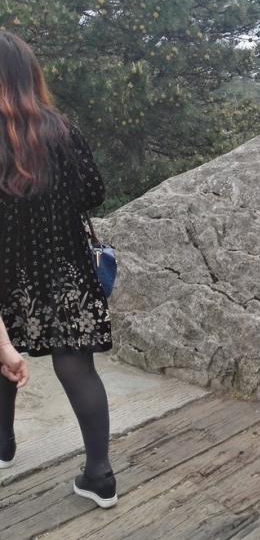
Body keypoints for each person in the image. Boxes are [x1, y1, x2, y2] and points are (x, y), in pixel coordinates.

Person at [0, 31, 117, 507]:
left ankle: (3, 445)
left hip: (8, 269)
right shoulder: (61, 128)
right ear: (30, 73)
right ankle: (99, 475)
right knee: (76, 366)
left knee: (1, 352)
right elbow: (93, 193)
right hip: (65, 267)